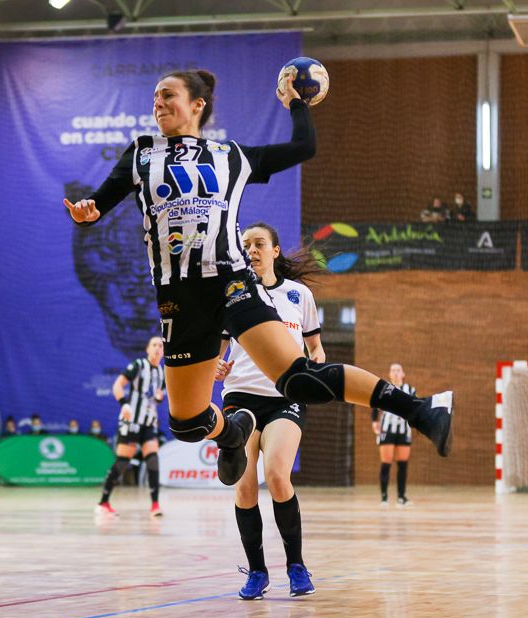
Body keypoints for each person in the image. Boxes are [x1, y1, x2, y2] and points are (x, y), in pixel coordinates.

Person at [64, 69, 454, 490]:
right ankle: (231, 435)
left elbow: (304, 146)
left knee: (299, 379)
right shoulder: (142, 153)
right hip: (178, 297)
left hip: (230, 283)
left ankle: (421, 410)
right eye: (154, 96)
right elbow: (98, 205)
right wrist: (89, 213)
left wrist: (298, 104)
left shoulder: (231, 155)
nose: (157, 102)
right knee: (187, 422)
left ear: (198, 105)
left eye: (167, 95)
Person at [215, 222, 323, 599]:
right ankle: (257, 572)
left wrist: (315, 367)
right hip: (240, 396)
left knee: (278, 475)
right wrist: (218, 365)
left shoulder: (299, 295)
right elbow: (219, 351)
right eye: (247, 245)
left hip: (285, 395)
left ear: (275, 251)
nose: (253, 250)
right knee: (244, 485)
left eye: (260, 243)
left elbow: (316, 349)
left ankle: (296, 565)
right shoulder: (234, 296)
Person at [97, 336, 166, 517]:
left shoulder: (162, 373)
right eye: (154, 345)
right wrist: (124, 404)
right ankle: (103, 502)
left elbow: (158, 395)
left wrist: (159, 398)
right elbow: (117, 385)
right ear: (147, 349)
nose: (157, 348)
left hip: (149, 422)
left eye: (160, 345)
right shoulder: (138, 365)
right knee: (122, 462)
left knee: (153, 459)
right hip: (131, 421)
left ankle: (155, 505)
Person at [372, 363, 417, 507]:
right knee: (386, 462)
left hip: (404, 430)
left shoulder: (410, 390)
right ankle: (384, 497)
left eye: (398, 370)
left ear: (403, 374)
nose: (396, 373)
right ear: (390, 374)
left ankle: (401, 497)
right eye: (393, 371)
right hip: (387, 429)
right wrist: (374, 421)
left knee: (403, 463)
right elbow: (374, 404)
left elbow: (416, 407)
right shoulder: (384, 388)